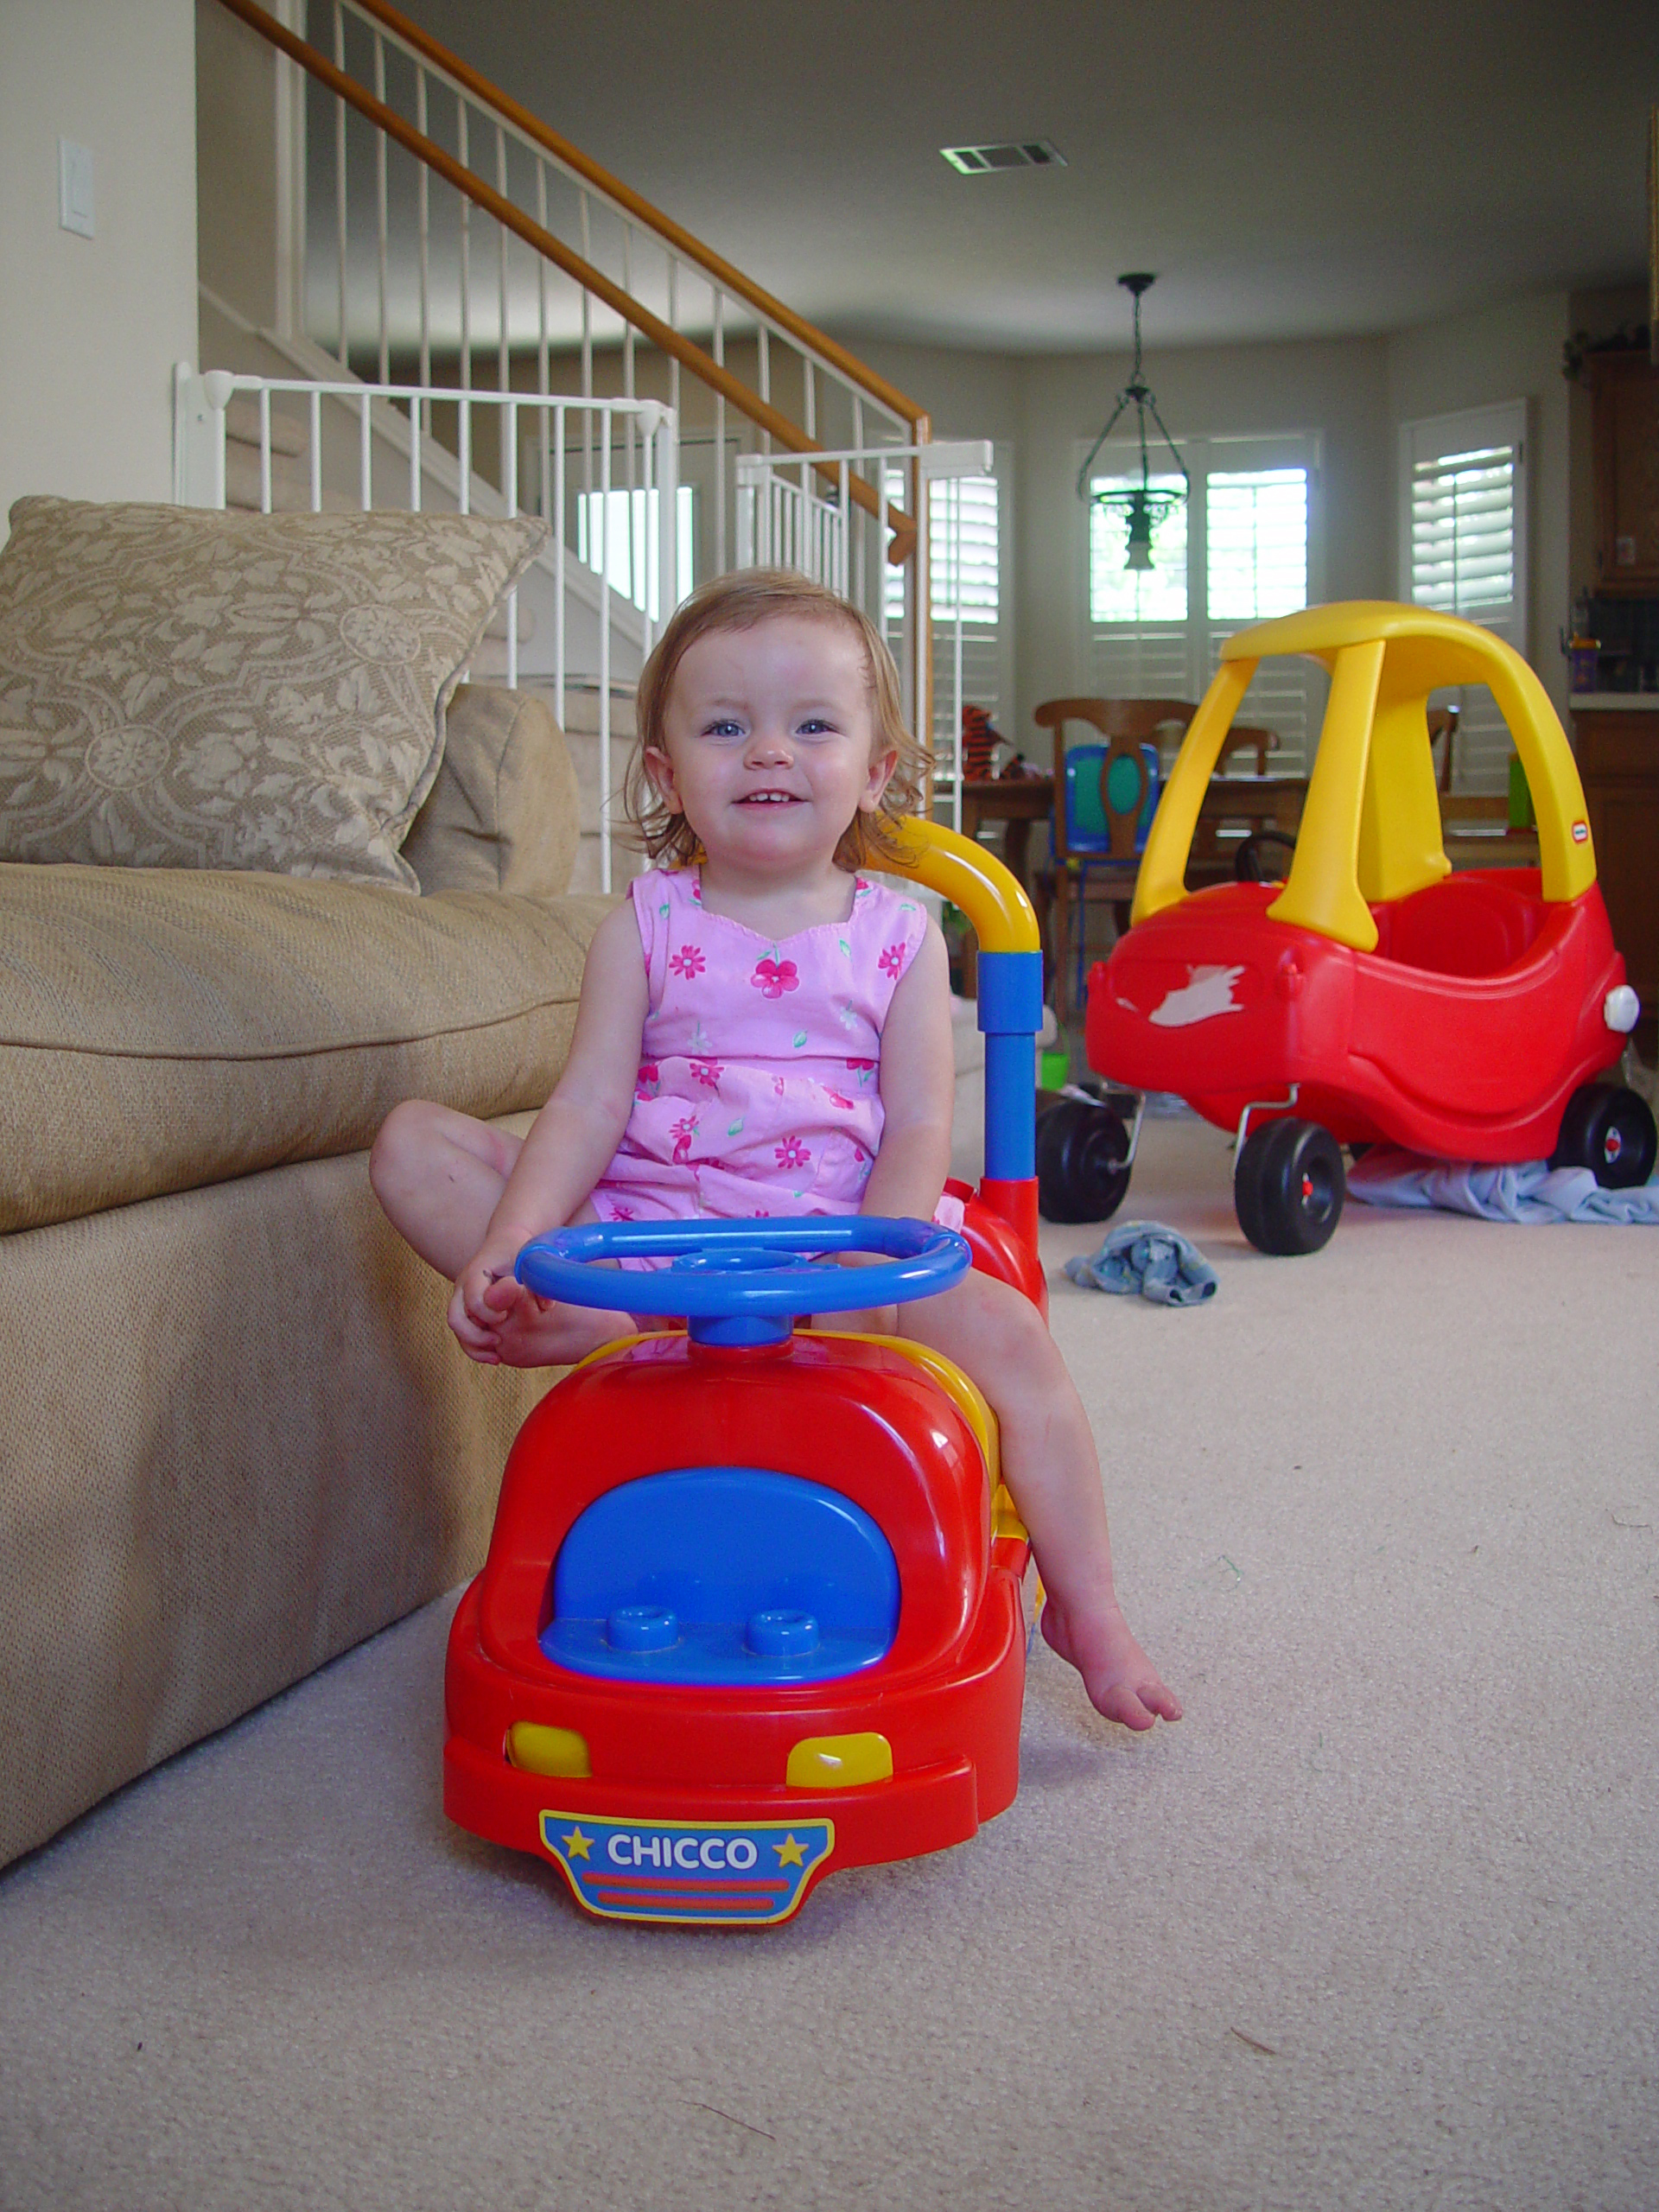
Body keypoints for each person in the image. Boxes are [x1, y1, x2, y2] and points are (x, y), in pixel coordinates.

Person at [370, 569, 1180, 1732]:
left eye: (812, 725)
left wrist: (868, 1269)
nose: (768, 754)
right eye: (725, 727)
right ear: (666, 774)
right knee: (411, 1144)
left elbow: (913, 1129)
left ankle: (1090, 1606)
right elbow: (587, 1106)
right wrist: (513, 1247)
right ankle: (601, 1320)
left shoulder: (901, 939)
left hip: (843, 1242)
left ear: (877, 769)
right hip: (659, 1241)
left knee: (1015, 1342)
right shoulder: (642, 925)